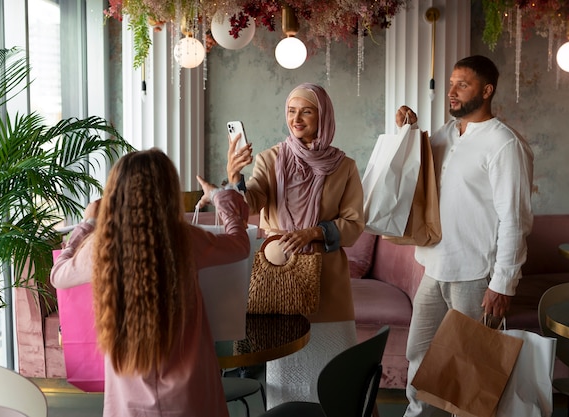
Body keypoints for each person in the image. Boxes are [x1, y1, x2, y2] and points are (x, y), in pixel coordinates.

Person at [50, 148, 250, 417]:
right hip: (188, 396)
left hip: (128, 401)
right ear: (167, 193)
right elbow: (239, 244)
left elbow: (58, 275)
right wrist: (219, 197)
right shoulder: (184, 239)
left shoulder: (103, 247)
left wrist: (87, 224)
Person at [396, 55, 534, 417]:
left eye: (463, 84)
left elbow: (514, 219)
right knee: (419, 354)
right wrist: (406, 129)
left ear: (487, 91)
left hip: (476, 273)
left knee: (470, 367)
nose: (452, 92)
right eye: (451, 83)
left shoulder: (504, 144)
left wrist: (503, 283)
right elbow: (414, 168)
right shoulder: (445, 134)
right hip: (435, 265)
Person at [224, 82, 365, 407]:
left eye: (306, 111)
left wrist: (313, 233)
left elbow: (354, 225)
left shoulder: (345, 168)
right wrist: (235, 180)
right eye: (291, 111)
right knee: (286, 369)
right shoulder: (270, 158)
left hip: (327, 282)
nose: (296, 119)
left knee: (334, 367)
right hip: (279, 278)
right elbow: (252, 204)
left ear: (323, 116)